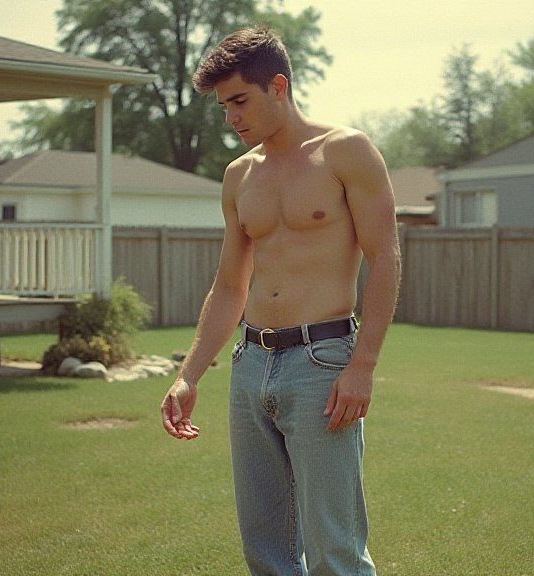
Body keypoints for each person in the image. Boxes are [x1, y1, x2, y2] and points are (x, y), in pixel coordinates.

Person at [160, 26, 401, 576]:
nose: (231, 118)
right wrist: (189, 375)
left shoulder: (346, 152)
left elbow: (385, 257)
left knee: (335, 550)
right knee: (265, 549)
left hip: (322, 363)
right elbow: (229, 287)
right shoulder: (239, 176)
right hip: (250, 364)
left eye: (240, 101)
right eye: (223, 107)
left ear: (278, 86)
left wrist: (363, 365)